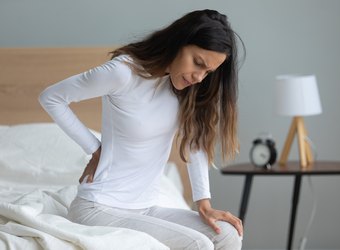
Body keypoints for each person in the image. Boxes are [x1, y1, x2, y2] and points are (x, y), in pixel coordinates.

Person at [39, 9, 243, 250]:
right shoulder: (123, 72)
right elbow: (51, 97)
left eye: (208, 71)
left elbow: (194, 141)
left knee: (227, 234)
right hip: (98, 208)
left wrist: (204, 204)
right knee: (198, 244)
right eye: (198, 63)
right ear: (178, 42)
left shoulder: (184, 87)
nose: (199, 77)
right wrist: (94, 148)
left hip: (145, 207)